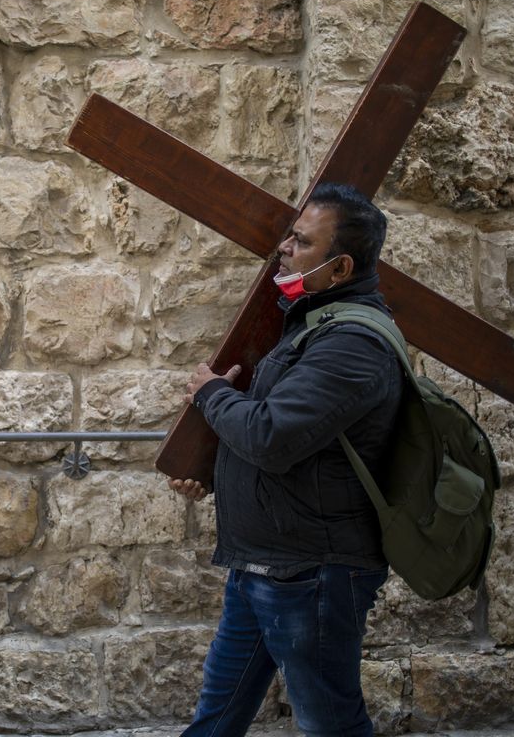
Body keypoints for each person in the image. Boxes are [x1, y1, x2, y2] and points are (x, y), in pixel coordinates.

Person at [170, 183, 403, 736]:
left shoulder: (353, 345)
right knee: (215, 722)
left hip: (311, 575)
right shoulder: (309, 325)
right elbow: (293, 438)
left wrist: (211, 394)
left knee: (331, 725)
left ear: (340, 266)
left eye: (301, 242)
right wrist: (212, 474)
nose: (284, 249)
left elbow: (272, 437)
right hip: (261, 563)